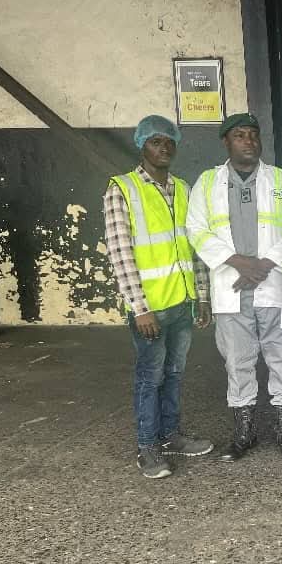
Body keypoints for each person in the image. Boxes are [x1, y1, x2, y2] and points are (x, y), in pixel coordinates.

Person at [186, 112, 282, 462]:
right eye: (240, 135)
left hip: (273, 283)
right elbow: (196, 230)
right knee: (237, 362)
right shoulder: (207, 182)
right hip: (232, 285)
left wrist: (263, 264)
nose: (249, 141)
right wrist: (240, 263)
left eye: (253, 134)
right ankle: (244, 432)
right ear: (226, 141)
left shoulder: (281, 180)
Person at [102, 115, 213, 479]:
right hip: (150, 308)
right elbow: (120, 254)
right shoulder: (122, 189)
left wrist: (201, 296)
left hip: (181, 303)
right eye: (155, 142)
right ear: (141, 145)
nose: (164, 147)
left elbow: (195, 246)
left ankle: (170, 435)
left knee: (175, 374)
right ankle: (147, 447)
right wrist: (140, 308)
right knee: (150, 377)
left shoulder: (183, 188)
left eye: (169, 142)